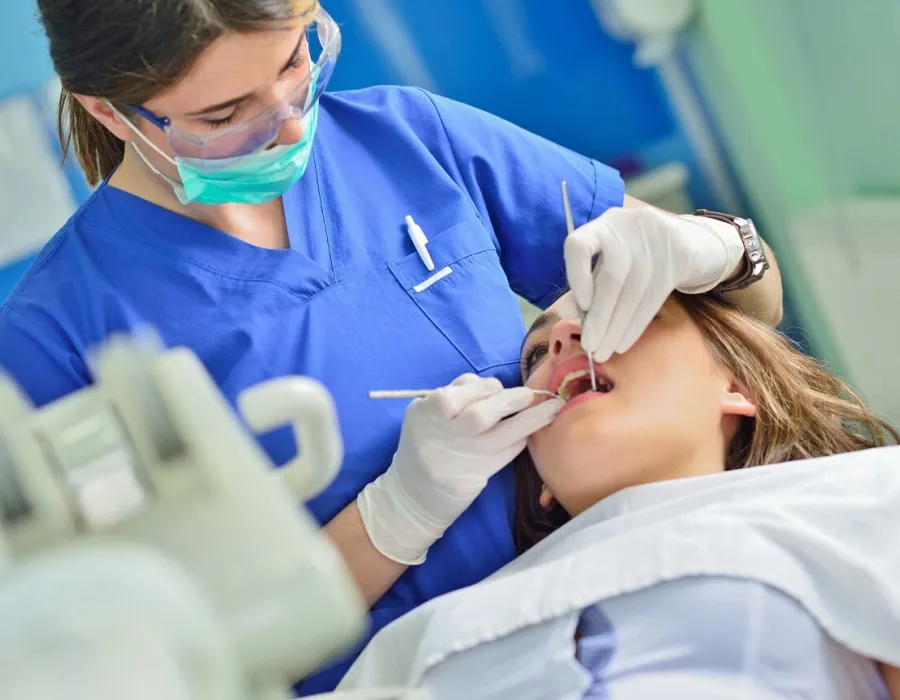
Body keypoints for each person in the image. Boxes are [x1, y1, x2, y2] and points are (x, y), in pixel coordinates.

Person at [0, 0, 782, 690]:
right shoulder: (54, 337)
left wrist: (711, 248)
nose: (295, 123)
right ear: (110, 114)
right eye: (224, 114)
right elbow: (162, 659)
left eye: (297, 59)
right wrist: (392, 519)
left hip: (618, 623)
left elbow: (748, 321)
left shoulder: (410, 138)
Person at [338, 291, 900, 698]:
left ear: (736, 387)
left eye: (616, 314)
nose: (561, 337)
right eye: (535, 357)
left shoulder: (864, 495)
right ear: (542, 488)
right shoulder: (415, 641)